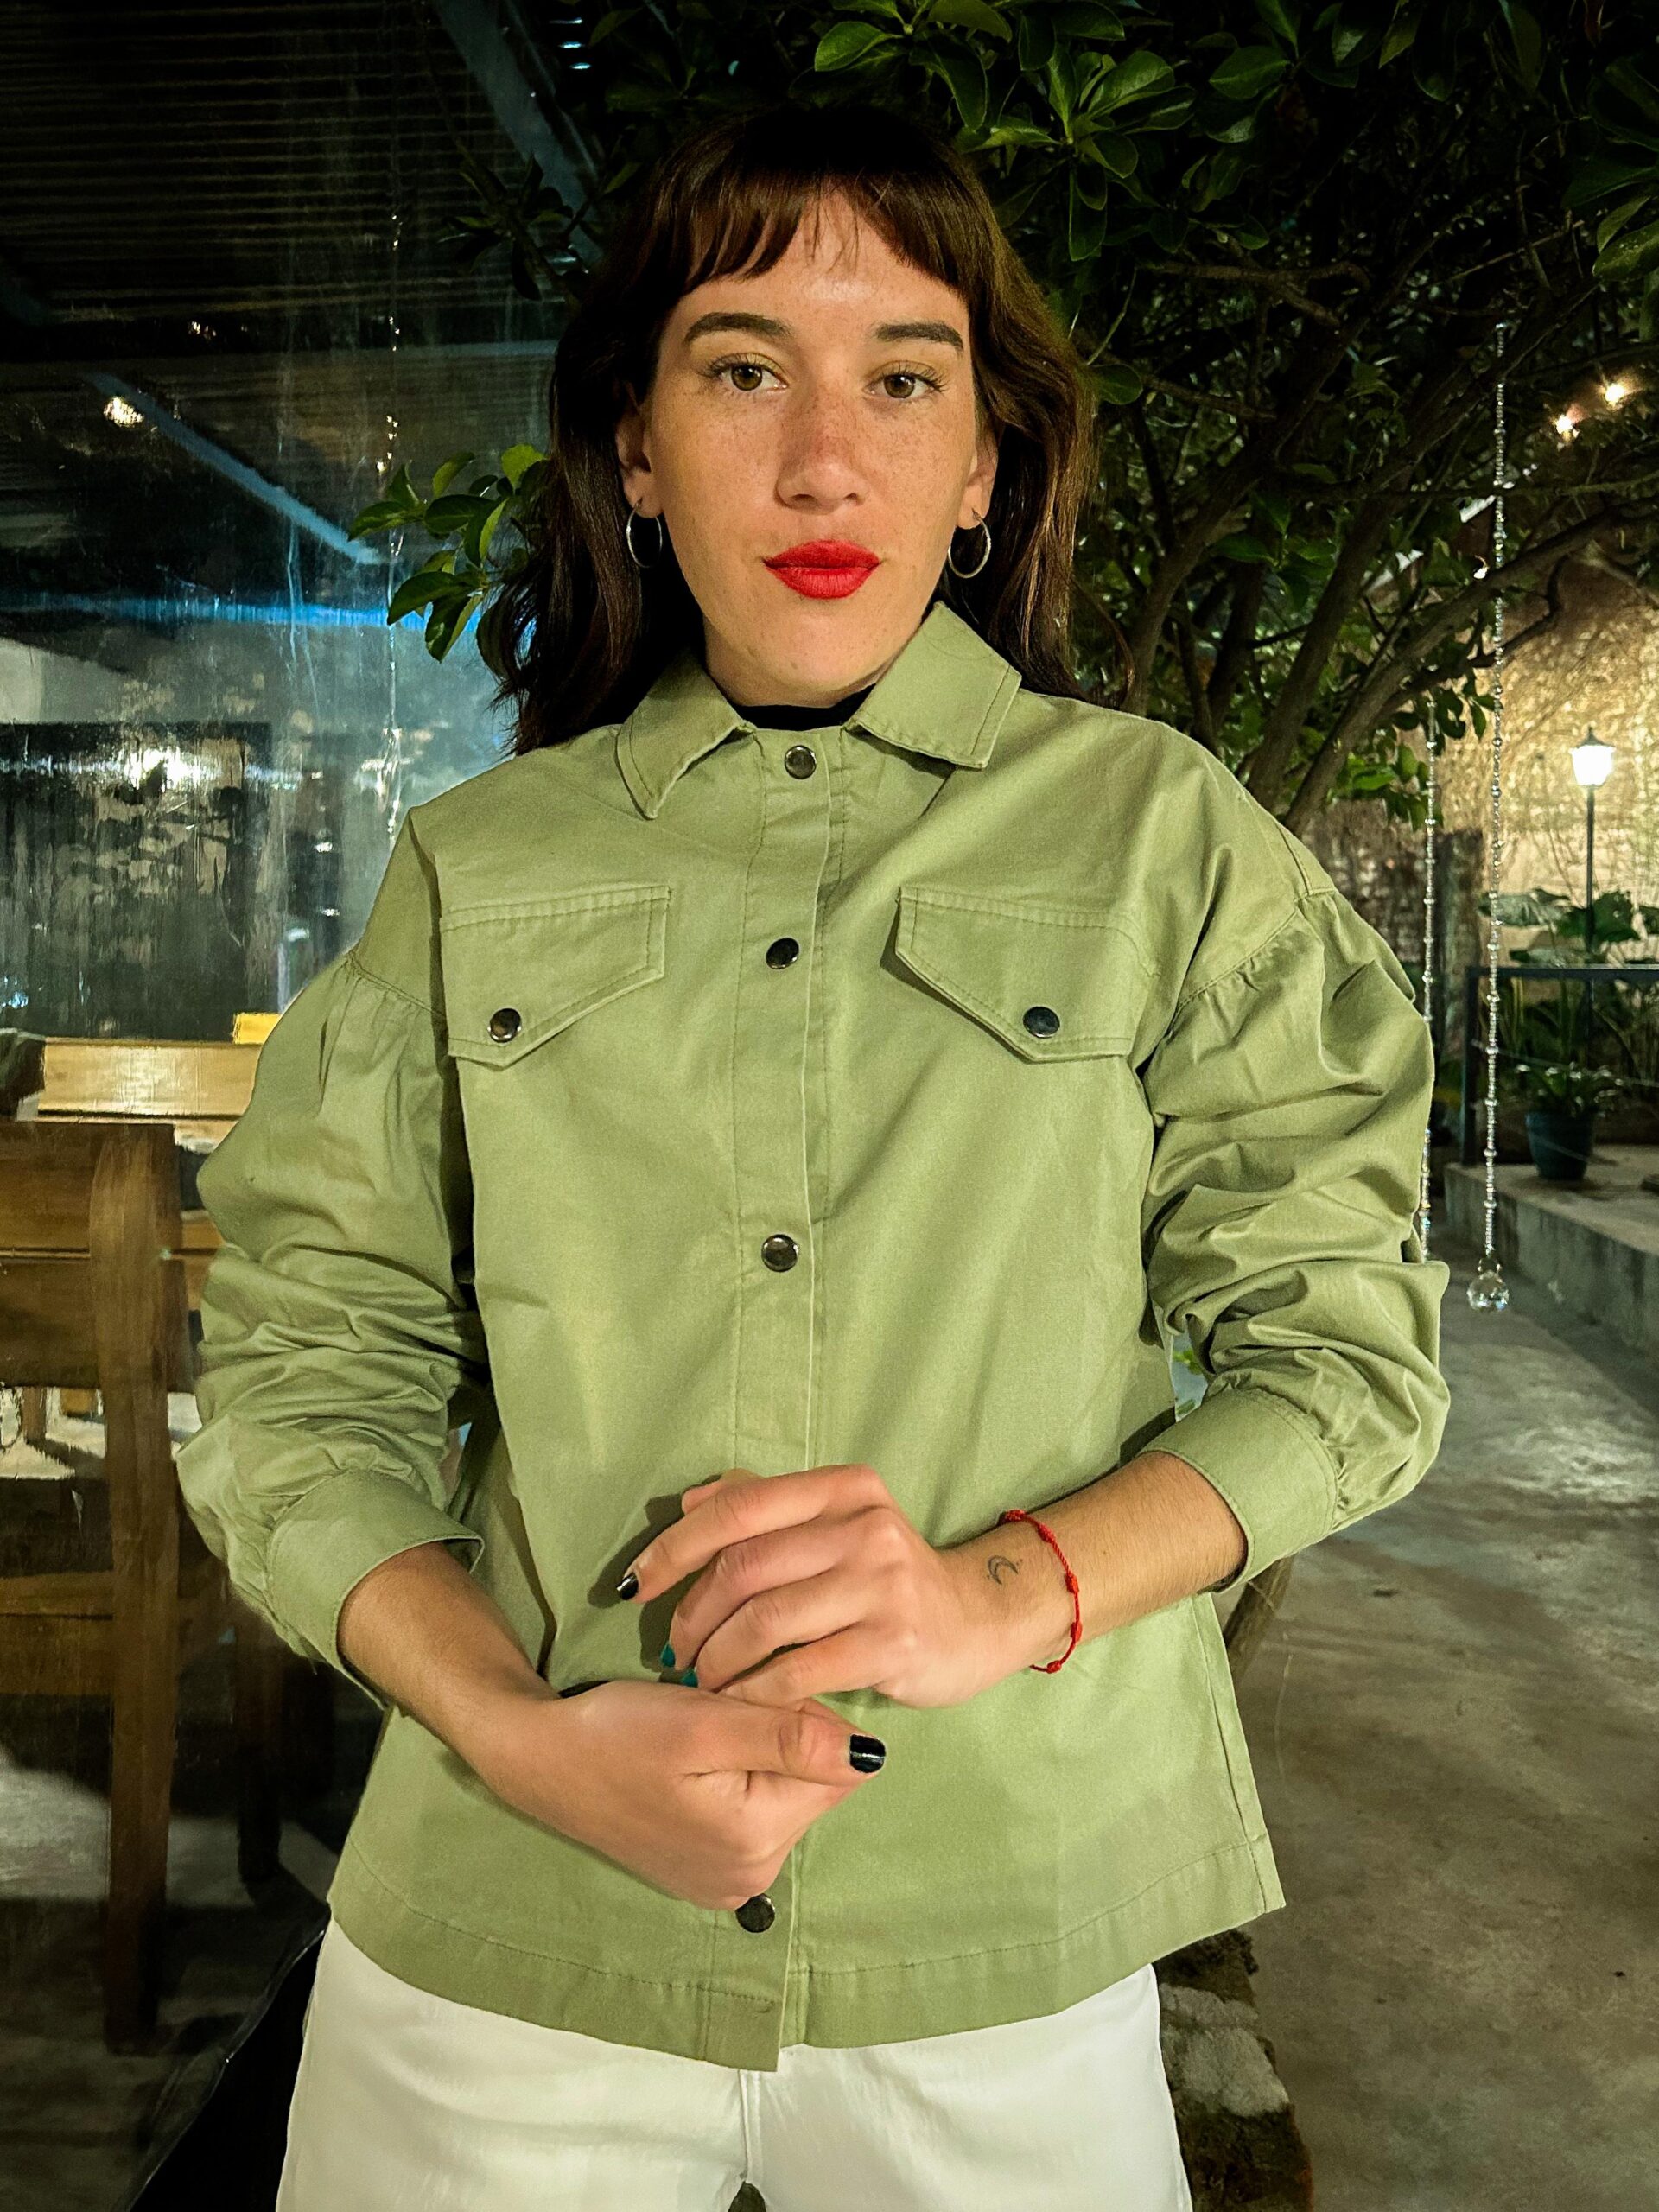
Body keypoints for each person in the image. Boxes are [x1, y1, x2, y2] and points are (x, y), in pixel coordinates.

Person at [175, 97, 1452, 2212]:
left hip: (1005, 1917)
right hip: (510, 1921)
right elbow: (307, 1384)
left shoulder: (1161, 837)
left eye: (905, 380)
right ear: (636, 450)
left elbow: (1348, 1358)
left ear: (987, 468)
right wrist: (519, 1728)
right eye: (744, 368)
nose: (825, 460)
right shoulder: (476, 865)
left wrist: (1002, 1591)